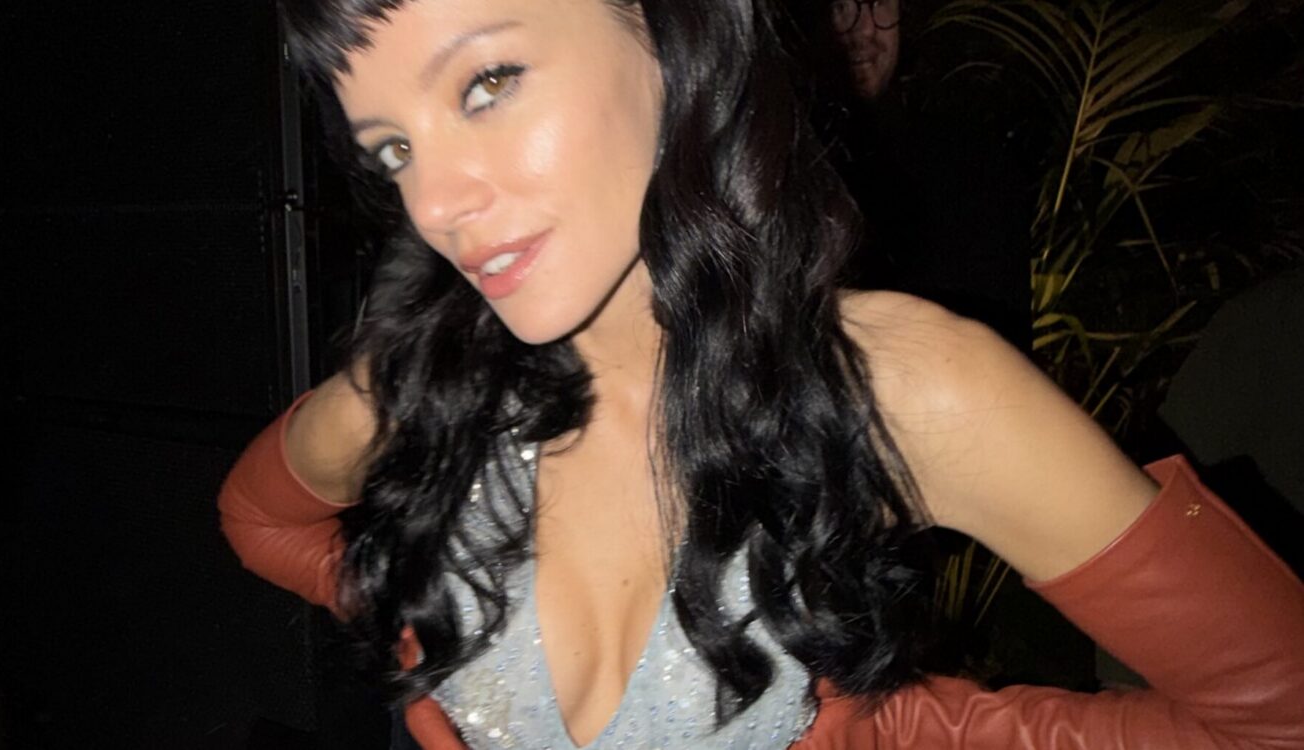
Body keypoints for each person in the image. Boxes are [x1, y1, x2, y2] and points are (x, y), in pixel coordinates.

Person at [218, 0, 1304, 748]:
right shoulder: (424, 385)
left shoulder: (897, 394)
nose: (436, 202)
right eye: (393, 148)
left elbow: (1275, 719)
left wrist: (892, 725)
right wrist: (425, 608)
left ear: (669, 32)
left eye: (488, 83)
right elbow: (259, 523)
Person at [808, 0, 1034, 350]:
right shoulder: (781, 170)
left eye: (881, 3)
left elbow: (1002, 339)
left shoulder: (972, 167)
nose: (865, 29)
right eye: (841, 5)